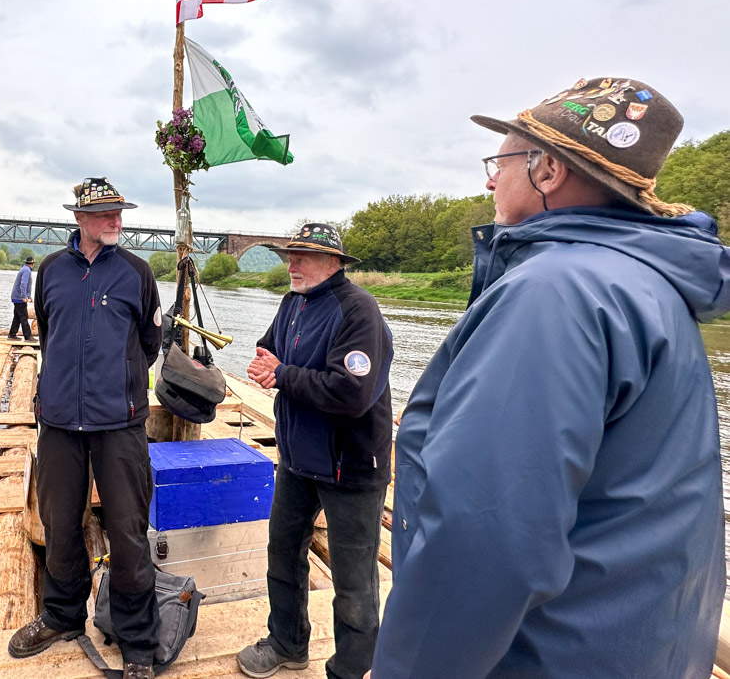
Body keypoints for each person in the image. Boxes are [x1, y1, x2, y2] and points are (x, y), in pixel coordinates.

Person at [369, 79, 729, 678]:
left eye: (501, 160)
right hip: (630, 643)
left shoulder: (552, 294)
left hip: (544, 655)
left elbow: (486, 535)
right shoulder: (650, 288)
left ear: (548, 169)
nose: (489, 180)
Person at [7, 177, 163, 679]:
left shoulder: (138, 273)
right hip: (58, 422)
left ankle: (138, 640)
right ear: (79, 219)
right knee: (59, 524)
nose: (115, 221)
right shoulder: (51, 270)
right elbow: (48, 334)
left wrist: (118, 388)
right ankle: (62, 614)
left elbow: (149, 342)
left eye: (119, 213)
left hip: (119, 424)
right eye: (104, 215)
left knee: (127, 530)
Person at [236, 224, 394, 679]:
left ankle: (352, 669)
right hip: (298, 458)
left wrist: (282, 374)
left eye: (303, 256)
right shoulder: (292, 303)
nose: (292, 264)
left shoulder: (359, 311)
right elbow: (271, 347)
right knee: (283, 553)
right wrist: (265, 363)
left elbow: (352, 393)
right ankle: (287, 643)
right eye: (291, 254)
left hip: (351, 466)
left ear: (334, 263)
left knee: (353, 581)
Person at [8, 255, 36, 339]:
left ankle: (12, 334)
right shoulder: (27, 271)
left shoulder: (24, 269)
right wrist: (24, 296)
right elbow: (23, 285)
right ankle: (28, 336)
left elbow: (25, 286)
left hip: (16, 297)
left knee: (17, 317)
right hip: (19, 298)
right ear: (32, 263)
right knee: (24, 317)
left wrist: (28, 296)